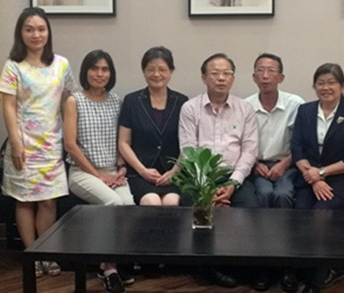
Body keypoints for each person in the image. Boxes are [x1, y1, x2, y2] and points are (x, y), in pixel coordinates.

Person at [0, 7, 76, 278]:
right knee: (24, 201)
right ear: (21, 33)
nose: (36, 34)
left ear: (48, 32)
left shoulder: (61, 64)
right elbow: (8, 106)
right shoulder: (13, 66)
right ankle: (32, 254)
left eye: (41, 29)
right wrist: (16, 142)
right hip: (23, 145)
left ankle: (47, 252)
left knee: (48, 202)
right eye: (29, 29)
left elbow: (68, 99)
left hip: (51, 145)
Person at [179, 52, 258, 288]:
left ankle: (242, 266)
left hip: (234, 177)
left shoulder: (245, 109)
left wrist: (232, 184)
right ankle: (208, 268)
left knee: (250, 208)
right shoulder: (190, 108)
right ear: (204, 78)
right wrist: (206, 188)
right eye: (215, 73)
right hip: (200, 179)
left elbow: (250, 151)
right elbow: (188, 151)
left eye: (226, 73)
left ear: (233, 78)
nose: (221, 78)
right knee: (195, 211)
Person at [291, 63, 344, 293]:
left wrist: (322, 173)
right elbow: (297, 148)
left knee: (321, 213)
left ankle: (317, 279)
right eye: (321, 83)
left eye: (331, 82)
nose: (325, 87)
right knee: (299, 213)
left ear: (342, 85)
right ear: (314, 86)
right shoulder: (305, 111)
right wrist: (315, 177)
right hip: (310, 178)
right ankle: (299, 271)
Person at [63, 50, 133, 293]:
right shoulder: (74, 101)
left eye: (105, 69)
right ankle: (110, 268)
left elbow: (121, 141)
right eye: (94, 68)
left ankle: (110, 262)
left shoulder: (116, 101)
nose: (99, 74)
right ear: (86, 71)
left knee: (129, 206)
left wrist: (121, 168)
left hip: (113, 171)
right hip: (82, 173)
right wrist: (98, 175)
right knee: (113, 204)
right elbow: (70, 145)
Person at [243, 53, 304, 292]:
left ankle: (287, 264)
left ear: (281, 77)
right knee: (264, 194)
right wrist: (253, 163)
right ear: (254, 77)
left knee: (283, 194)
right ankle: (264, 264)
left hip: (288, 164)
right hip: (257, 166)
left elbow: (302, 142)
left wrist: (285, 163)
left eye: (271, 71)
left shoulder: (295, 104)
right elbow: (241, 142)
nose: (265, 76)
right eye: (260, 70)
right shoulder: (246, 106)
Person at [117, 46, 188, 207]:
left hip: (173, 172)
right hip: (140, 172)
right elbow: (123, 142)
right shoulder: (132, 101)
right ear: (144, 71)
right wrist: (142, 170)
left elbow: (188, 144)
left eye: (162, 69)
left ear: (171, 71)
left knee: (172, 201)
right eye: (151, 69)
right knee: (151, 201)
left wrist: (174, 171)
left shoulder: (182, 102)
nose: (156, 74)